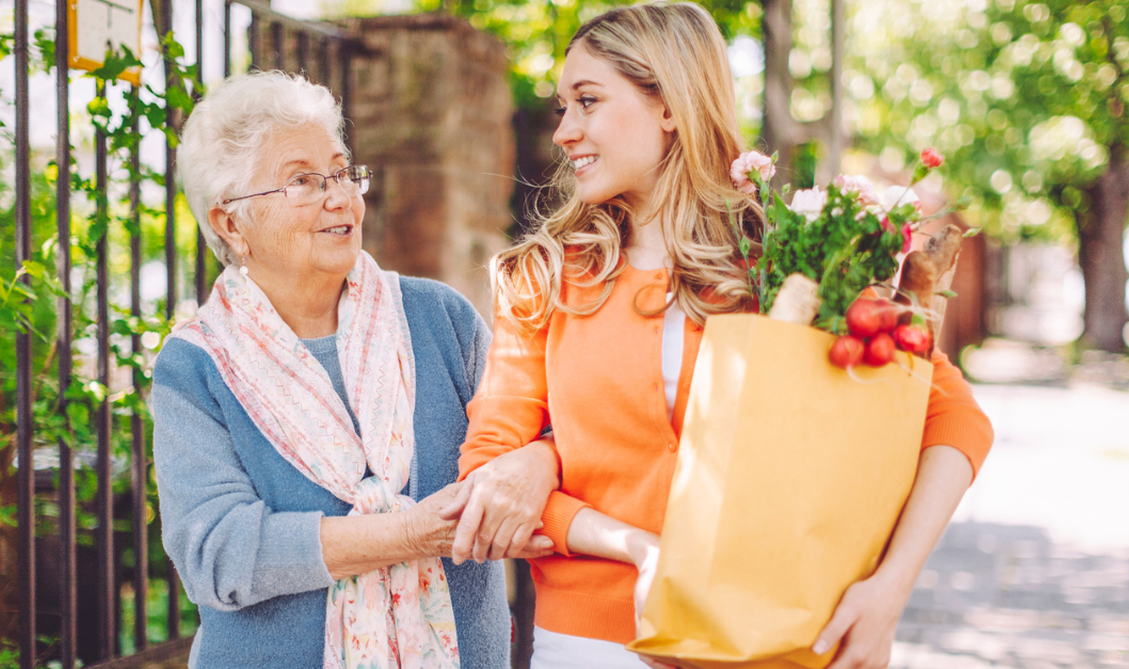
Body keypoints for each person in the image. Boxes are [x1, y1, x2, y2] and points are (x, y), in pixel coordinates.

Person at [447, 4, 994, 669]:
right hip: (594, 643)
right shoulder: (545, 277)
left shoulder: (791, 259)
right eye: (563, 107)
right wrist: (637, 547)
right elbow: (487, 476)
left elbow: (952, 415)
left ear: (669, 105)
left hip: (771, 634)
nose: (564, 130)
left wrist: (888, 587)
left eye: (587, 101)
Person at [151, 71, 550, 669]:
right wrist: (409, 533)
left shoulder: (438, 317)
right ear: (232, 223)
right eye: (303, 182)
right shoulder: (196, 363)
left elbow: (543, 433)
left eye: (341, 173)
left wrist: (536, 459)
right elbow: (219, 552)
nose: (341, 197)